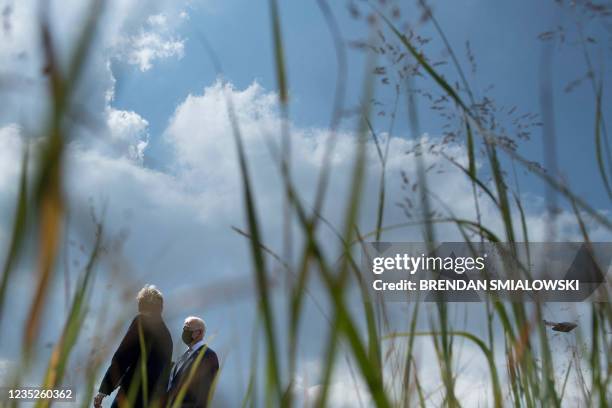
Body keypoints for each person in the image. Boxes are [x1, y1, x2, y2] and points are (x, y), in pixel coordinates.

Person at [94, 285, 173, 408]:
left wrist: (104, 390)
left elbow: (123, 357)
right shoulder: (167, 337)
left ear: (142, 305)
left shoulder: (142, 322)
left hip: (131, 395)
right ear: (161, 308)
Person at [166, 316, 219, 408]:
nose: (184, 332)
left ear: (199, 332)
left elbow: (203, 393)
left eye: (187, 329)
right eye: (184, 328)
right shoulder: (183, 356)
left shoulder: (207, 356)